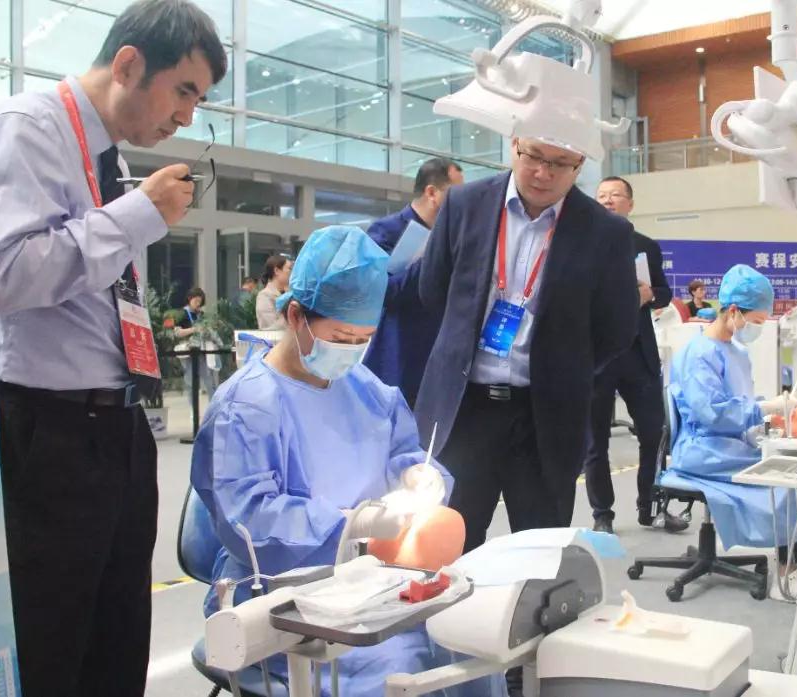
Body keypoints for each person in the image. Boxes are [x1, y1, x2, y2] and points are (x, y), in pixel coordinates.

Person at [0, 1, 226, 694]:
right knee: (53, 647)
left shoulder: (108, 159)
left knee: (117, 645)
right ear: (128, 64)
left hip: (119, 427)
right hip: (50, 431)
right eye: (183, 91)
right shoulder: (28, 128)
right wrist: (136, 215)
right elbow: (4, 274)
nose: (186, 117)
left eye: (199, 102)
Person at [190, 226, 500, 697]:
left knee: (469, 644)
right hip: (279, 595)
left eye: (363, 339)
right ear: (296, 315)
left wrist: (419, 475)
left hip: (371, 581)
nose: (352, 352)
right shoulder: (247, 408)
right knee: (399, 668)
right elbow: (248, 521)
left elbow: (402, 453)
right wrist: (355, 525)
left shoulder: (368, 391)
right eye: (340, 337)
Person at [415, 136, 640, 557]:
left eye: (560, 163)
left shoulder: (606, 231)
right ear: (515, 145)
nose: (543, 173)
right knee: (448, 547)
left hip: (545, 417)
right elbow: (433, 291)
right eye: (534, 156)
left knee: (538, 554)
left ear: (579, 164)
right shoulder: (464, 204)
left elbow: (617, 327)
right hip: (464, 411)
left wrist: (564, 367)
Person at [661, 265, 797, 551]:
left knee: (789, 468)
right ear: (733, 311)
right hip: (704, 449)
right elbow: (713, 413)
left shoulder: (737, 352)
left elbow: (740, 400)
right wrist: (764, 407)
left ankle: (789, 550)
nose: (758, 329)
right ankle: (787, 556)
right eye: (756, 321)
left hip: (729, 444)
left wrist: (769, 418)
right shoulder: (698, 355)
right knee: (785, 480)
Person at [583, 176, 685, 534]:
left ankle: (651, 506)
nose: (607, 200)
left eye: (615, 195)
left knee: (654, 433)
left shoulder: (645, 246)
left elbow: (664, 293)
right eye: (601, 196)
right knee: (595, 441)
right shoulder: (581, 242)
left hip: (638, 354)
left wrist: (648, 295)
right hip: (596, 355)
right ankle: (602, 514)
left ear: (630, 204)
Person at [364, 157, 464, 406]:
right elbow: (385, 292)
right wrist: (433, 254)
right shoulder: (385, 231)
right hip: (398, 359)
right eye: (456, 194)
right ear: (432, 193)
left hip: (443, 362)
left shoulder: (458, 236)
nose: (463, 204)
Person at [175, 287, 219, 397]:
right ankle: (193, 406)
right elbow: (177, 332)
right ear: (189, 299)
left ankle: (213, 404)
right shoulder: (182, 313)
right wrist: (194, 329)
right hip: (188, 351)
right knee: (190, 381)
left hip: (202, 349)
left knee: (209, 379)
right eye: (196, 301)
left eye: (200, 302)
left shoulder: (201, 314)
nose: (198, 304)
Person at [256, 254, 293, 330]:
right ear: (277, 271)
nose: (292, 273)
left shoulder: (287, 293)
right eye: (289, 269)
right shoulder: (265, 296)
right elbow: (271, 326)